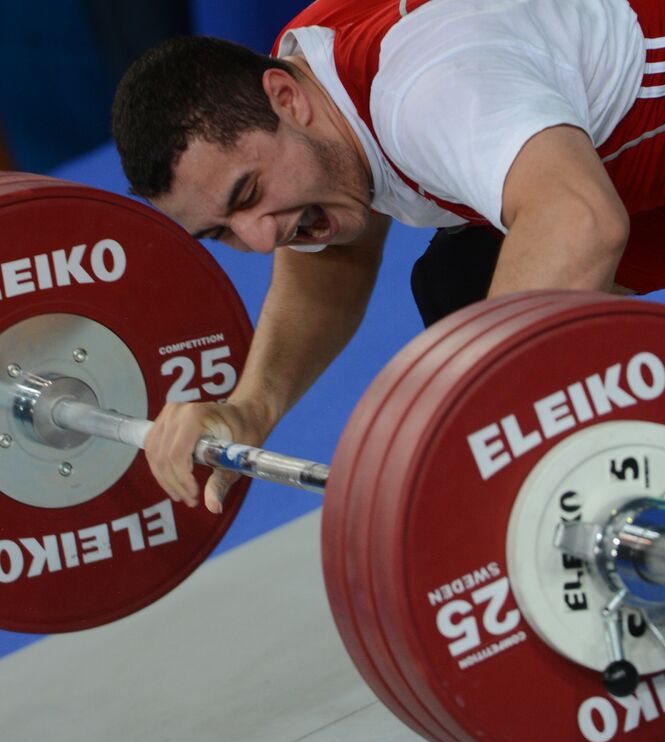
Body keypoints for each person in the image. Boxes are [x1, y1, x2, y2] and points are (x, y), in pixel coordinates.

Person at [111, 0, 665, 514]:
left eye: (250, 195)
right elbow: (332, 260)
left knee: (489, 326)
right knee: (464, 290)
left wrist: (469, 428)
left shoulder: (426, 91)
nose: (260, 242)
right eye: (221, 231)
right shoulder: (309, 84)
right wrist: (250, 409)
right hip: (624, 168)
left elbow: (580, 221)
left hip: (624, 159)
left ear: (287, 99)